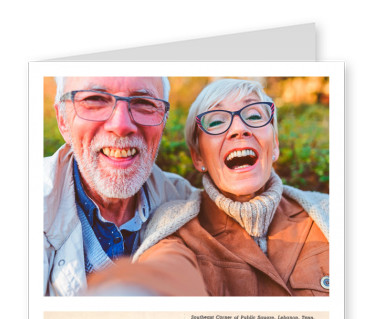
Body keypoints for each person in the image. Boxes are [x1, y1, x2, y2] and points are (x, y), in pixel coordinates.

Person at [87, 78, 329, 296]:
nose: (239, 129)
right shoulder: (177, 229)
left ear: (274, 144)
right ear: (198, 157)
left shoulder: (328, 213)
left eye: (254, 116)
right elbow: (166, 270)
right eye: (216, 121)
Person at [44, 76, 198, 296]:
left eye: (144, 103)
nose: (121, 125)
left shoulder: (186, 204)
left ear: (163, 121)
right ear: (62, 120)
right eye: (95, 99)